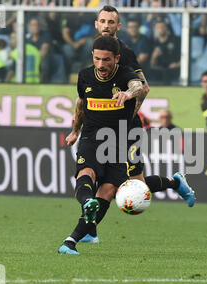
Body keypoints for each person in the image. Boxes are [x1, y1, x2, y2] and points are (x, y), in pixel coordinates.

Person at [65, 5, 195, 244]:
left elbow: (142, 86)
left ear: (118, 26)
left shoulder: (124, 52)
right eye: (102, 21)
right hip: (99, 128)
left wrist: (130, 108)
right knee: (110, 181)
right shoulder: (94, 51)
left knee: (134, 184)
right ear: (96, 24)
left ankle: (176, 182)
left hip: (125, 129)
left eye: (111, 22)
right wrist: (76, 129)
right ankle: (90, 231)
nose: (106, 26)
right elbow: (83, 98)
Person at [57, 35, 145, 255]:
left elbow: (139, 86)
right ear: (92, 57)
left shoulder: (125, 75)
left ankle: (69, 242)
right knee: (87, 173)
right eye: (97, 59)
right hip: (91, 136)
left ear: (116, 58)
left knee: (106, 192)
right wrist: (75, 131)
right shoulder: (84, 76)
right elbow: (81, 105)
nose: (101, 65)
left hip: (118, 141)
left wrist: (128, 93)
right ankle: (87, 202)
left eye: (106, 60)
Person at [149, 19, 181, 84]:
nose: (161, 29)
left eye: (163, 26)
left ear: (167, 28)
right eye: (158, 27)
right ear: (155, 29)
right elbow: (151, 65)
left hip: (175, 72)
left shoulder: (176, 40)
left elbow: (185, 58)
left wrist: (177, 64)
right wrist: (154, 57)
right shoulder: (153, 43)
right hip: (159, 74)